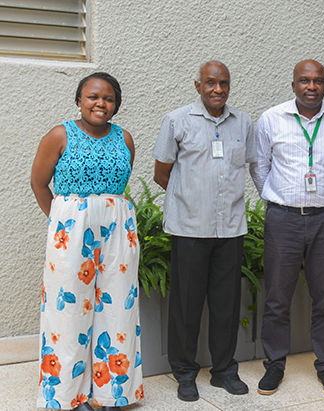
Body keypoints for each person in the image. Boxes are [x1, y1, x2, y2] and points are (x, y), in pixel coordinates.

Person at [31, 72, 142, 411]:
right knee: (68, 309)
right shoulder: (59, 135)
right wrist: (63, 222)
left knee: (118, 307)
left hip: (117, 230)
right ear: (79, 99)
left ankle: (112, 393)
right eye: (93, 96)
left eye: (108, 99)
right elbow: (38, 183)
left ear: (116, 105)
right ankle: (67, 395)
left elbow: (119, 185)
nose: (100, 103)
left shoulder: (124, 138)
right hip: (71, 230)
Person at [251, 59, 324, 396]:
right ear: (293, 84)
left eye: (318, 81)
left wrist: (322, 197)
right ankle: (275, 365)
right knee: (277, 297)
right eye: (304, 81)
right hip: (283, 218)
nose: (312, 87)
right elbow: (260, 167)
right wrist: (280, 197)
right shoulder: (271, 119)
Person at [152, 61, 255, 401]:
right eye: (210, 83)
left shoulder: (243, 122)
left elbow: (248, 165)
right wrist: (192, 199)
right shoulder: (176, 120)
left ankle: (224, 370)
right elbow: (161, 172)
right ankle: (184, 372)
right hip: (189, 227)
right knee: (186, 304)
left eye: (224, 83)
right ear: (197, 86)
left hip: (230, 228)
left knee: (226, 304)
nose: (218, 89)